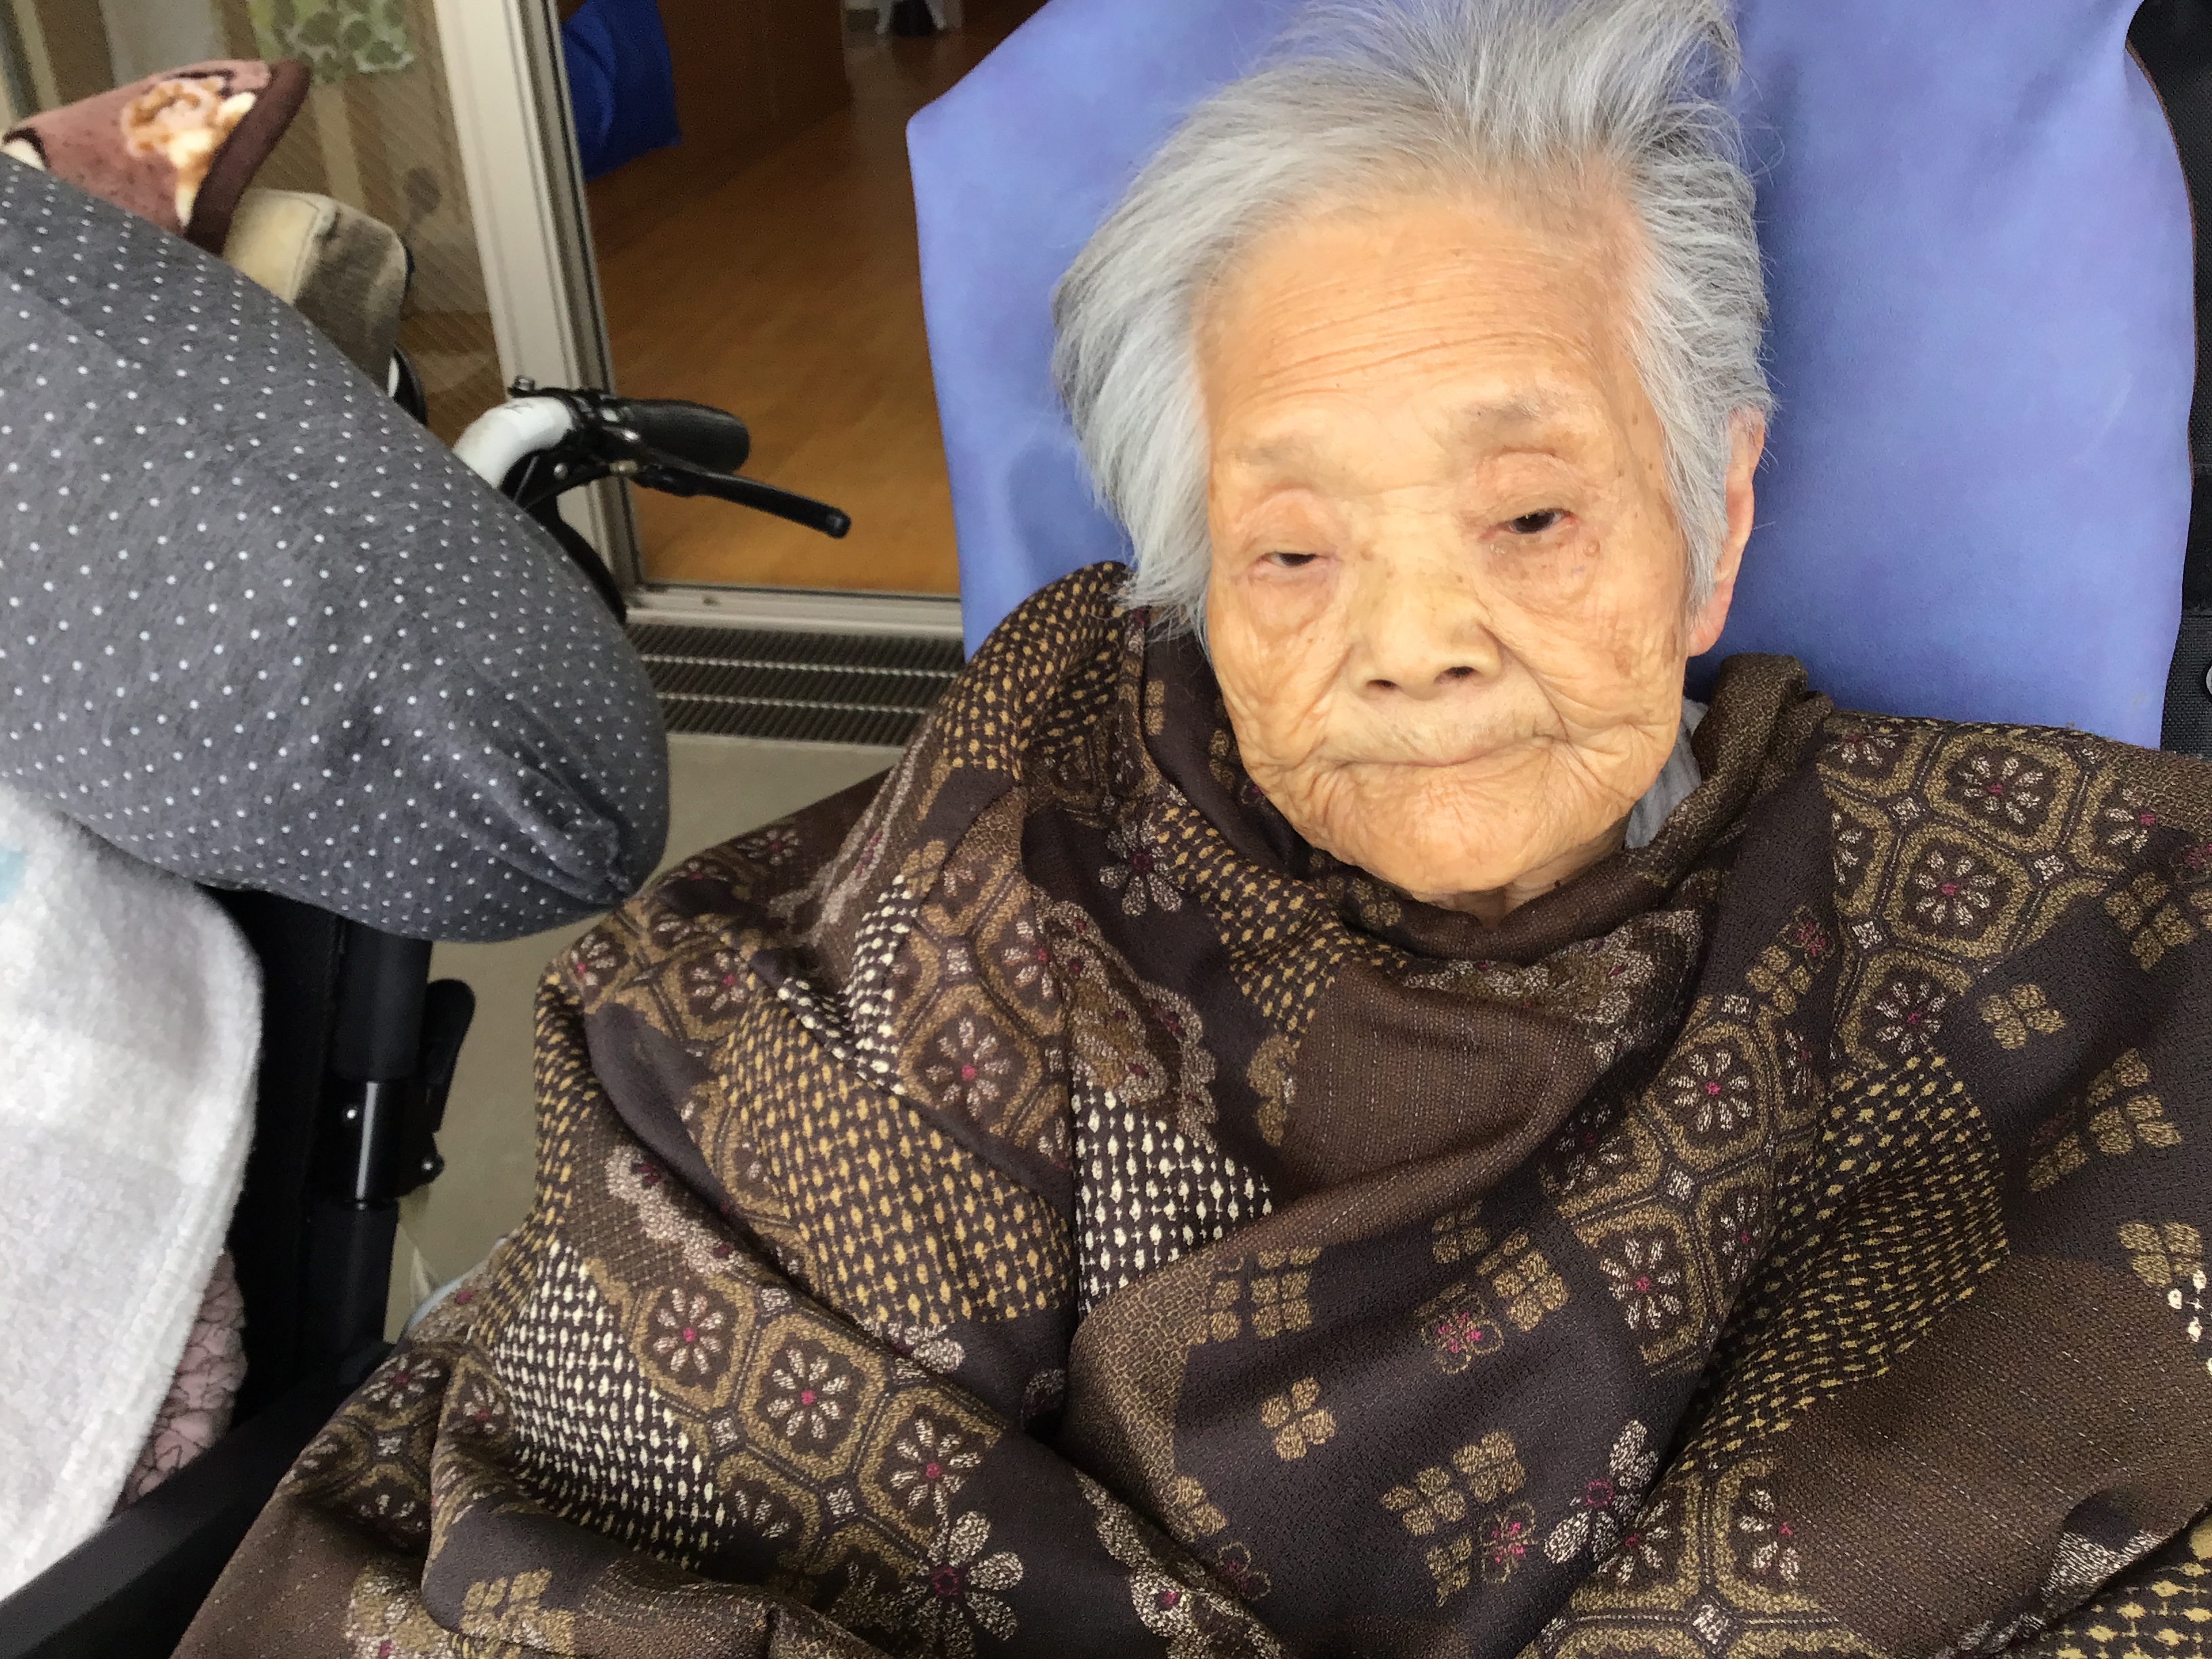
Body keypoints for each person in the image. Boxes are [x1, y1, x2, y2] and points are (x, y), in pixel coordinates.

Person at [183, 1, 2212, 1654]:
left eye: (1529, 515)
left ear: (1718, 514)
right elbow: (645, 1463)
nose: (1413, 646)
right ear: (1196, 580)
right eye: (1295, 550)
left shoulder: (2027, 908)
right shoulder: (996, 872)